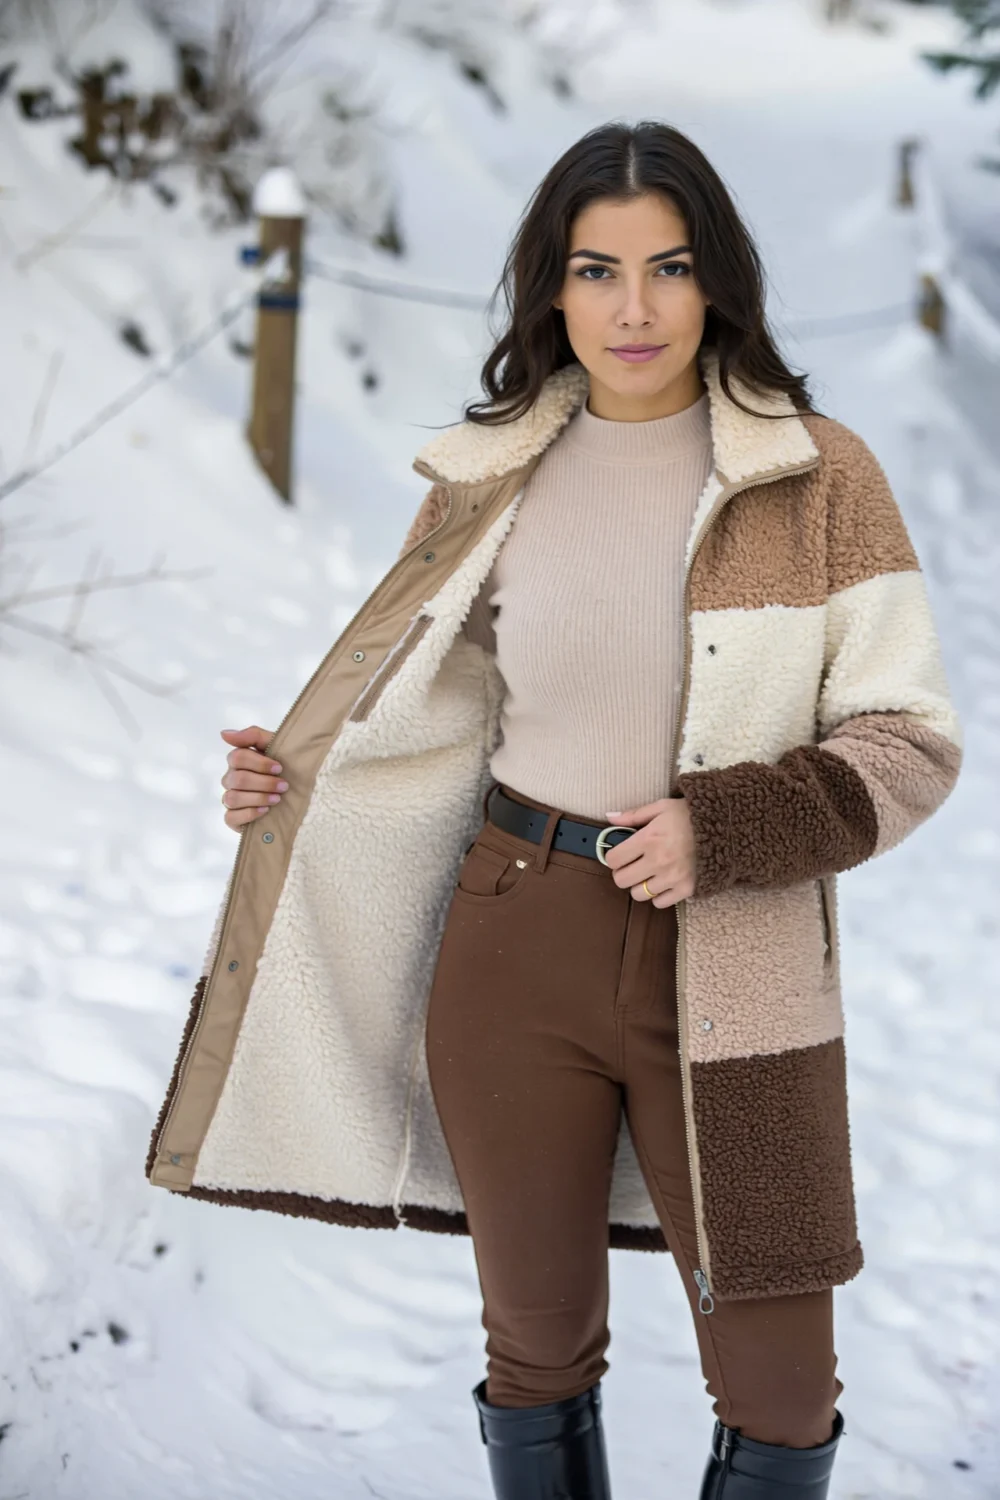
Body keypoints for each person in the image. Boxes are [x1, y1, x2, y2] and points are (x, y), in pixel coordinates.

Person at [146, 121, 962, 1500]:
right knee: (534, 1350)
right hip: (514, 949)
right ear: (551, 290)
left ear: (719, 285)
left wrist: (733, 825)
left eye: (669, 268)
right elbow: (413, 714)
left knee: (780, 1384)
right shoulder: (489, 474)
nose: (632, 308)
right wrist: (284, 780)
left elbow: (912, 741)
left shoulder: (821, 476)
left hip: (743, 964)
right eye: (596, 271)